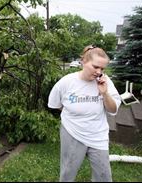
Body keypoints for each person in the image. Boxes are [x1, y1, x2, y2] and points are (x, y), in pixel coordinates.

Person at [48, 45, 121, 182]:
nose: (99, 72)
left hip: (98, 135)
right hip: (72, 132)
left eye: (102, 68)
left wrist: (104, 93)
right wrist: (73, 113)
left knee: (104, 176)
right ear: (83, 62)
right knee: (68, 172)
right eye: (95, 67)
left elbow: (113, 110)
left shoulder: (105, 82)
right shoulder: (66, 82)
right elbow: (55, 104)